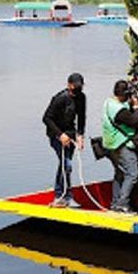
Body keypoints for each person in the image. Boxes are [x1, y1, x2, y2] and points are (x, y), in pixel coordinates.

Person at [102, 80, 138, 214]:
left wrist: (135, 106)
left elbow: (128, 113)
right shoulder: (117, 109)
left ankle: (115, 204)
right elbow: (132, 120)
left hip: (111, 145)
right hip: (121, 144)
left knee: (120, 173)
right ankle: (123, 204)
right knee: (133, 173)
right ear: (124, 94)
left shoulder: (109, 102)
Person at [43, 72, 86, 207]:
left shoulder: (81, 98)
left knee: (66, 164)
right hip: (56, 134)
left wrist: (80, 135)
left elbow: (81, 117)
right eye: (75, 87)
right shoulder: (60, 98)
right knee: (66, 164)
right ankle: (61, 195)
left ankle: (64, 195)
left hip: (70, 133)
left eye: (80, 87)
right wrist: (60, 135)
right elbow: (46, 118)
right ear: (69, 85)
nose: (77, 90)